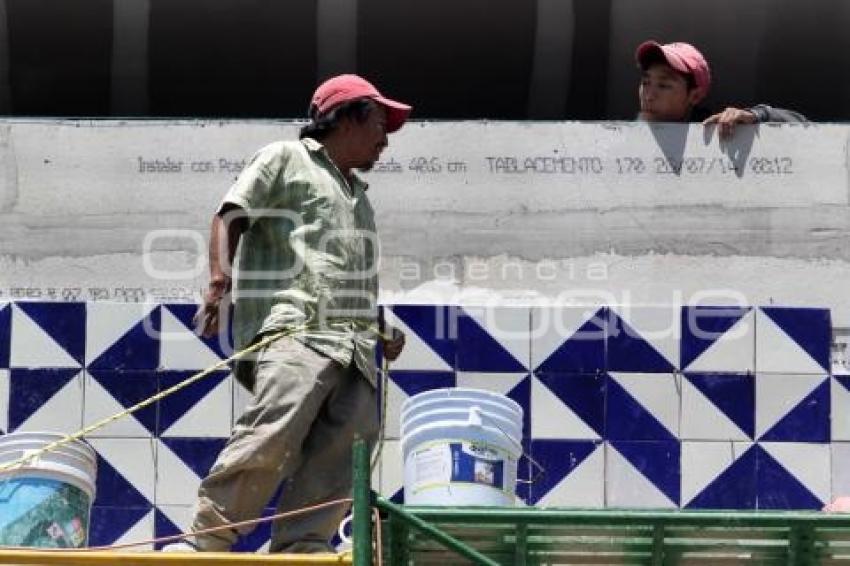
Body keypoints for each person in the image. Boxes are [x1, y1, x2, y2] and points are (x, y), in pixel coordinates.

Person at [166, 74, 410, 554]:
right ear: (347, 117)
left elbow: (342, 274)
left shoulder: (358, 196)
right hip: (297, 332)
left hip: (356, 350)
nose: (385, 140)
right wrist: (218, 283)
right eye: (380, 125)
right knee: (272, 434)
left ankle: (304, 544)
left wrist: (382, 330)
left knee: (347, 450)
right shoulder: (285, 158)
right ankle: (208, 538)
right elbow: (230, 214)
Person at [635, 40, 806, 137]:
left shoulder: (716, 130)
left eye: (663, 85)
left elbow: (802, 123)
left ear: (694, 96)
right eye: (645, 82)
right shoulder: (626, 136)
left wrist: (755, 115)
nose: (648, 96)